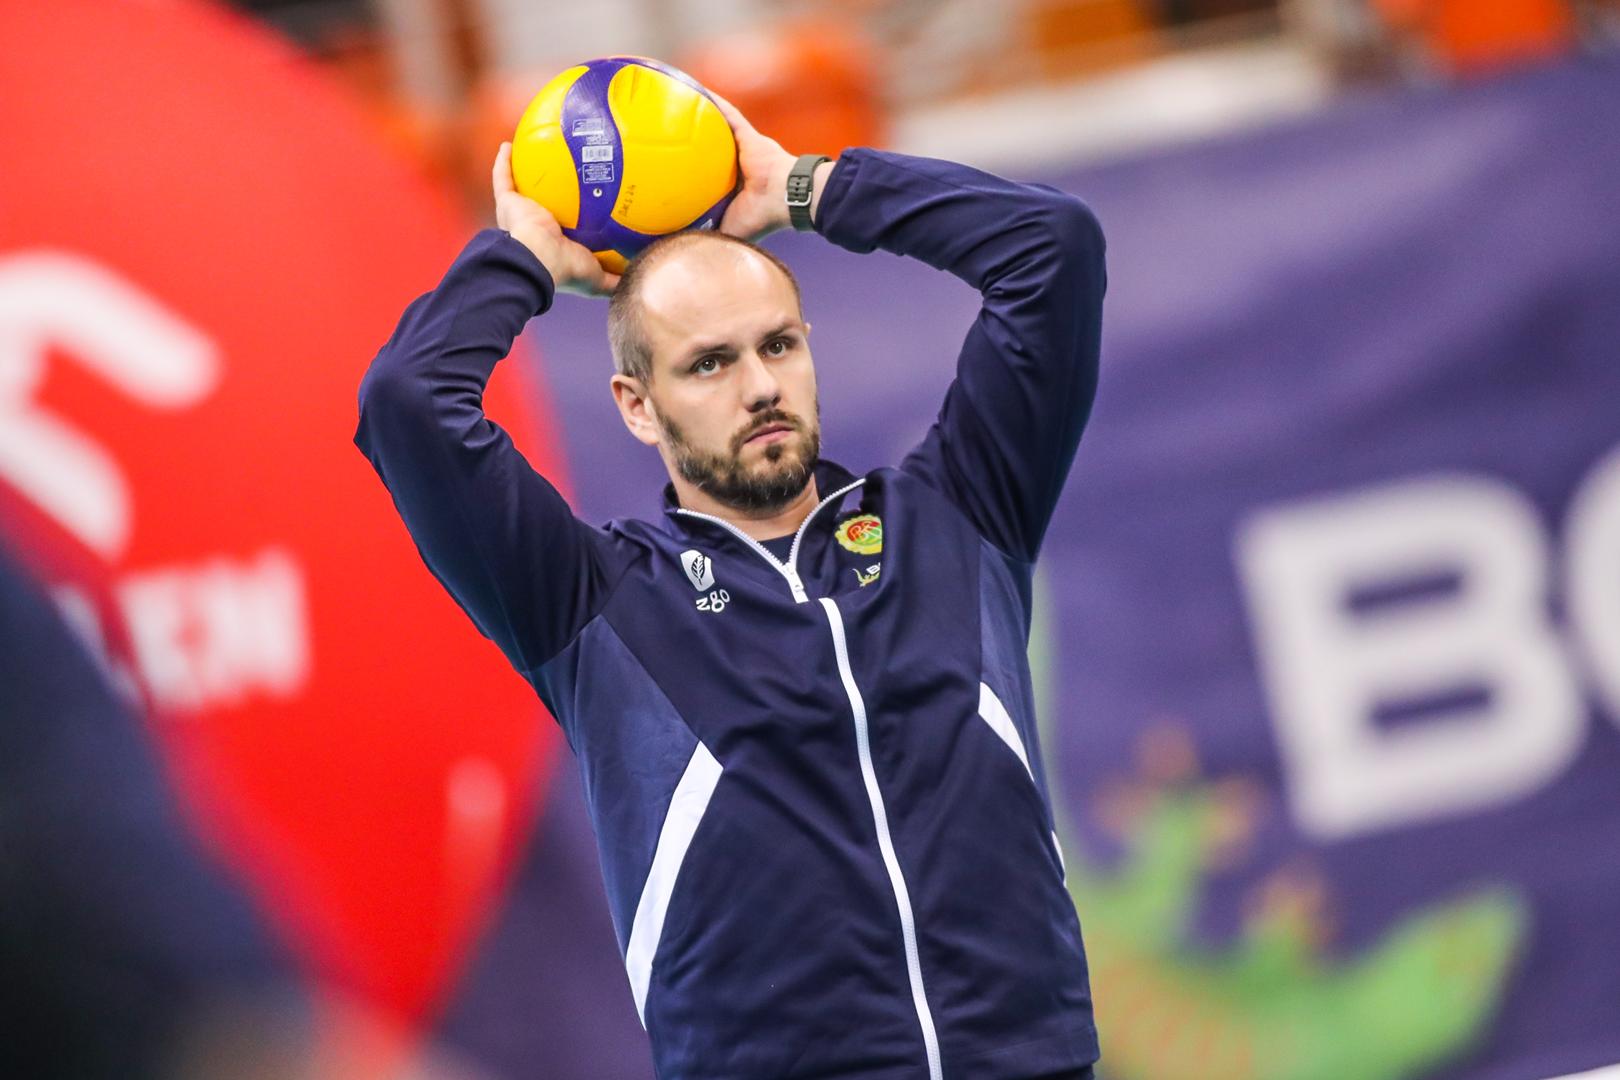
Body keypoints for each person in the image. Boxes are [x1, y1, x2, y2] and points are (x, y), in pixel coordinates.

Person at [355, 95, 1106, 1080]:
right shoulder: (592, 603)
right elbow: (408, 403)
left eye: (777, 345)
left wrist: (806, 189)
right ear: (638, 407)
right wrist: (523, 261)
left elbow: (1052, 249)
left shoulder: (958, 516)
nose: (759, 387)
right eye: (708, 364)